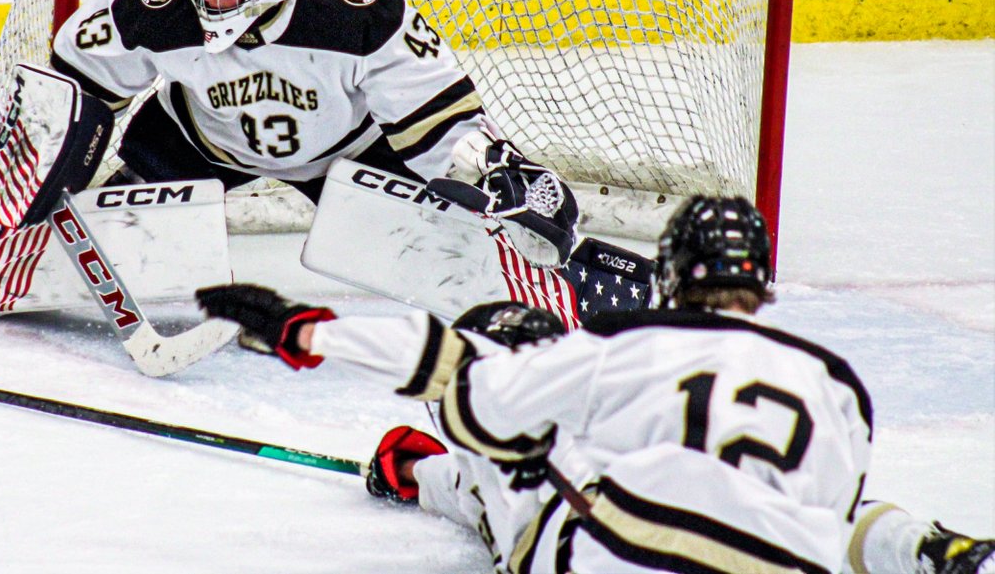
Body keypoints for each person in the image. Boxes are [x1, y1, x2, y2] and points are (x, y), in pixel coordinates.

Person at [196, 196, 994, 574]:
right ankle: (927, 545)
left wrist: (306, 330)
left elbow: (454, 376)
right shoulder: (836, 387)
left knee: (526, 452)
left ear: (671, 274)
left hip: (607, 554)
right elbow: (831, 519)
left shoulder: (615, 347)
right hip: (779, 562)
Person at [49, 0, 577, 264]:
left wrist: (488, 166)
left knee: (441, 252)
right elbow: (79, 85)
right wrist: (42, 167)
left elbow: (433, 113)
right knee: (111, 245)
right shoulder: (160, 10)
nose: (207, 3)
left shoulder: (357, 18)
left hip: (345, 153)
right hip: (199, 146)